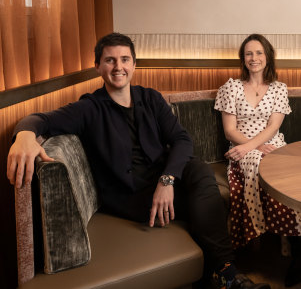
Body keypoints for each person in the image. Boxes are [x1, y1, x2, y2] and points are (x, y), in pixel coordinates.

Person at [7, 32, 270, 289]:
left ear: (134, 64)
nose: (118, 66)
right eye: (110, 60)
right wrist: (24, 137)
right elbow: (40, 120)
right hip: (130, 193)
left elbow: (182, 139)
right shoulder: (89, 108)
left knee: (200, 171)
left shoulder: (150, 97)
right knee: (205, 201)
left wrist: (167, 180)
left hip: (163, 176)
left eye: (124, 59)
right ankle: (226, 274)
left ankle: (221, 274)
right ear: (97, 66)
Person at [214, 33, 301, 287]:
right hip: (242, 147)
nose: (254, 58)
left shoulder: (278, 88)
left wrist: (262, 146)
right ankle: (263, 233)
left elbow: (274, 126)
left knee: (291, 174)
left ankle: (297, 250)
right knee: (255, 163)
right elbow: (230, 130)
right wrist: (251, 147)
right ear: (243, 58)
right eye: (249, 53)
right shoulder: (230, 87)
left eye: (259, 53)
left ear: (268, 57)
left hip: (272, 143)